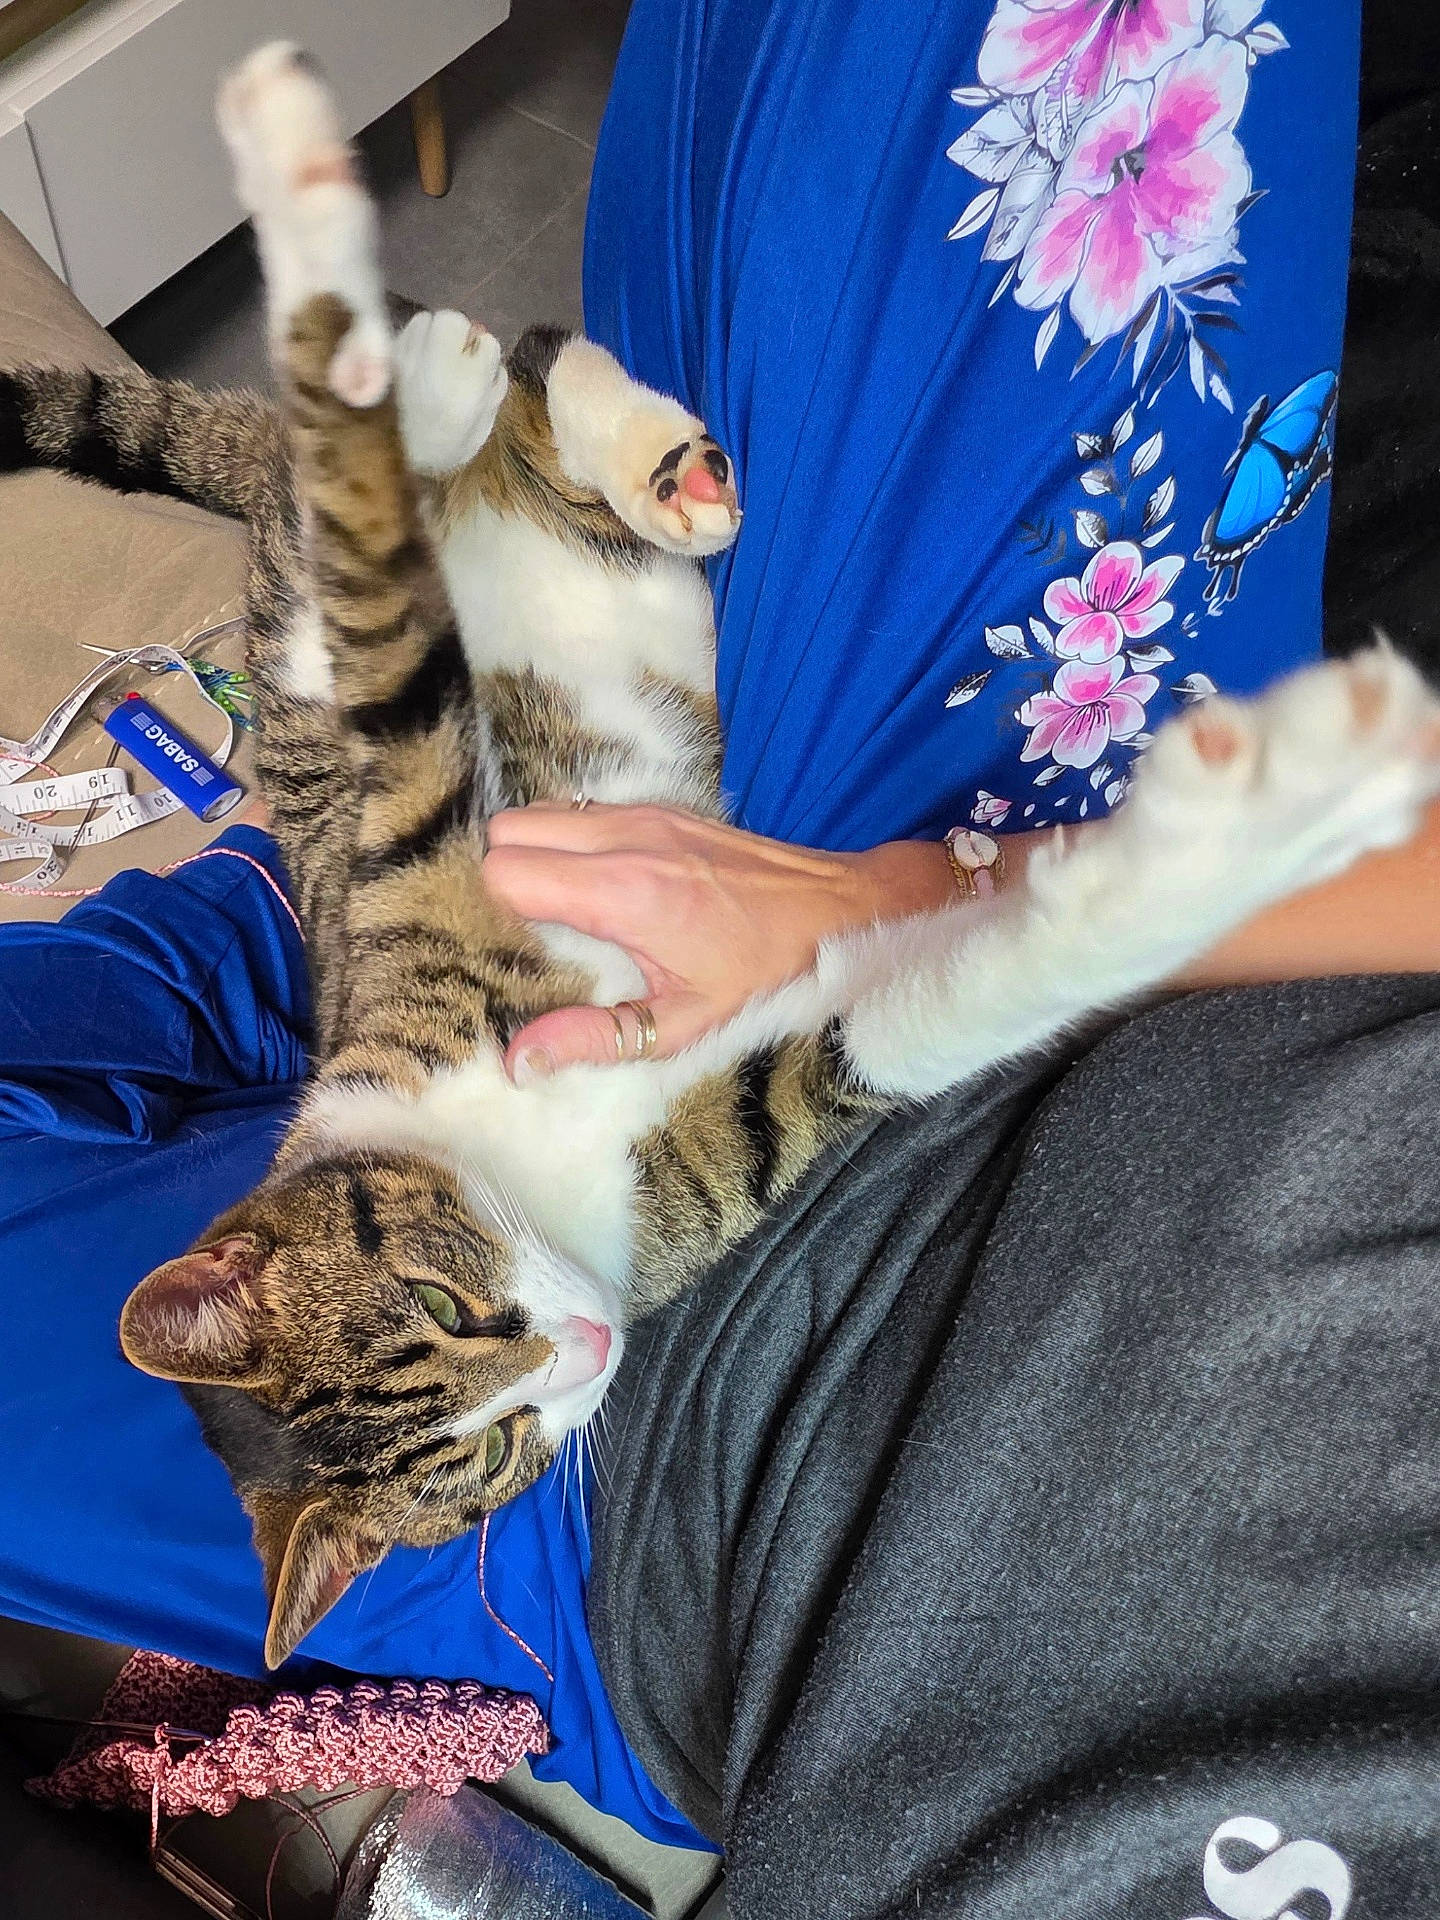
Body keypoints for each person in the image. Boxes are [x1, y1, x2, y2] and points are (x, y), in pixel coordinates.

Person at [1, 0, 1437, 1908]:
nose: (562, 1349)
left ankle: (324, 907)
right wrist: (934, 893)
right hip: (903, 1002)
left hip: (600, 1531)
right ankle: (328, 912)